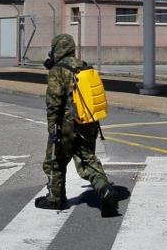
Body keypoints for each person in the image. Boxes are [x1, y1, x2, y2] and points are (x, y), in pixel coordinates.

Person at [35, 33, 118, 216]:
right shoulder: (83, 66)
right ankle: (105, 191)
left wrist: (52, 129)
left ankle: (56, 199)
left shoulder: (58, 70)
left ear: (57, 48)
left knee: (55, 161)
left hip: (67, 124)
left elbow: (54, 102)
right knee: (87, 159)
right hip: (88, 122)